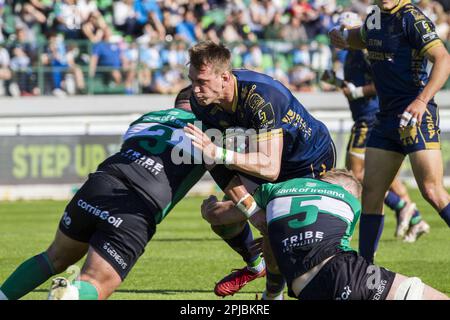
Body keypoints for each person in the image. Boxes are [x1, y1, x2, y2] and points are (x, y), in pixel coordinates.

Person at [0, 91, 235, 300]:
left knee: (54, 257)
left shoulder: (146, 118)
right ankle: (69, 294)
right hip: (137, 203)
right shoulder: (208, 129)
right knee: (97, 282)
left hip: (98, 184)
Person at [182, 41, 336, 298]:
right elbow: (217, 166)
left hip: (308, 162)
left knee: (283, 236)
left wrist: (219, 153)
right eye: (192, 81)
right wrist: (252, 211)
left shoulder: (259, 97)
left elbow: (270, 168)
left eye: (202, 82)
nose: (195, 90)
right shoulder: (202, 103)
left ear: (224, 77)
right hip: (266, 160)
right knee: (218, 216)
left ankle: (272, 294)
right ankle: (256, 266)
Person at [329, 0, 450, 263]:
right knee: (371, 191)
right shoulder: (375, 15)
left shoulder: (412, 18)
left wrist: (421, 101)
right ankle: (365, 267)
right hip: (385, 119)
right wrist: (341, 36)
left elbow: (443, 59)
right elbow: (361, 38)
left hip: (416, 115)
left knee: (432, 190)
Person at [226, 169, 448, 300]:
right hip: (344, 272)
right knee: (418, 294)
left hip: (305, 290)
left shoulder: (273, 189)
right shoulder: (350, 201)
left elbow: (227, 212)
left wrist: (211, 209)